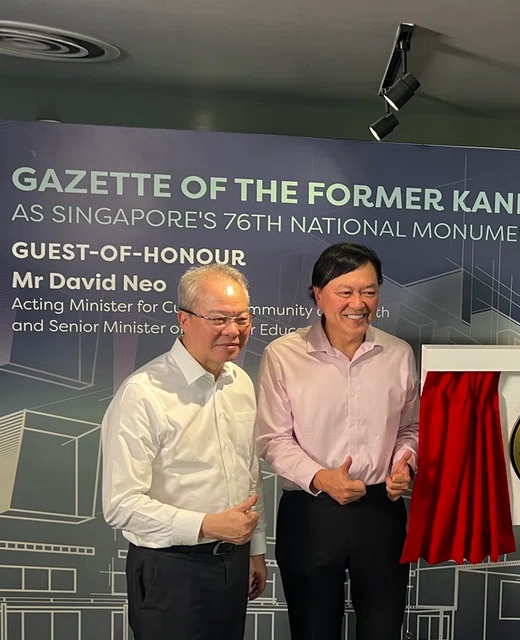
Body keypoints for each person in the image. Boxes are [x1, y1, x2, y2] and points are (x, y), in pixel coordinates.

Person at [255, 242, 419, 640]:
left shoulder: (398, 354)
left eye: (369, 291)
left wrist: (405, 462)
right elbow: (272, 438)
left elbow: (411, 427)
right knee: (313, 630)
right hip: (311, 513)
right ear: (318, 295)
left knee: (383, 630)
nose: (358, 304)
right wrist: (321, 477)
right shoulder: (284, 355)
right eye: (345, 292)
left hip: (381, 511)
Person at [101, 264, 267, 640]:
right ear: (184, 319)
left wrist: (255, 548)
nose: (233, 330)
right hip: (170, 569)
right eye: (219, 319)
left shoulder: (240, 382)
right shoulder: (143, 393)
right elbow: (120, 505)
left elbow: (249, 471)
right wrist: (206, 525)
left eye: (242, 318)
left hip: (234, 562)